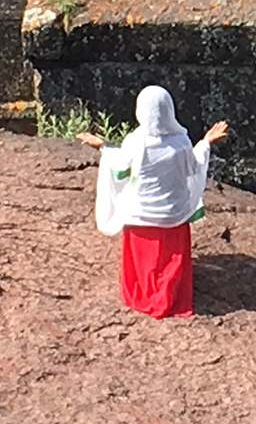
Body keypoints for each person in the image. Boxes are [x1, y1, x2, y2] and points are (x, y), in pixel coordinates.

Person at [78, 85, 230, 318]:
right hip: (173, 216)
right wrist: (206, 142)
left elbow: (120, 167)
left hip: (141, 215)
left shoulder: (136, 142)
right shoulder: (180, 142)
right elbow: (194, 166)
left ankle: (145, 295)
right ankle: (170, 296)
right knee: (170, 260)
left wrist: (102, 146)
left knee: (145, 261)